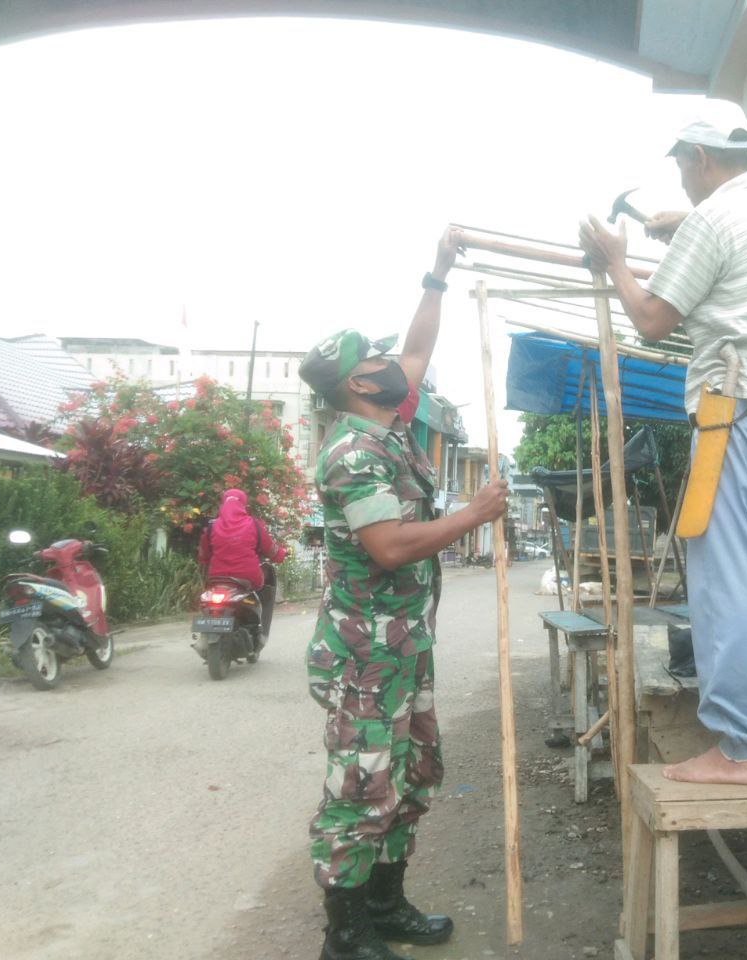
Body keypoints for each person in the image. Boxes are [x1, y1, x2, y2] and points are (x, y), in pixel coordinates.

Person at [580, 99, 747, 786]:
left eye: (683, 167)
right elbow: (727, 247)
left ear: (701, 159)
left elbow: (651, 319)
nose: (681, 182)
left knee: (726, 588)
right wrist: (687, 226)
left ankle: (738, 749)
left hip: (731, 416)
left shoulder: (713, 219)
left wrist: (617, 262)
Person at [299, 228, 510, 960]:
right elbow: (387, 546)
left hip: (402, 643)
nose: (397, 364)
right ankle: (345, 933)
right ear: (359, 382)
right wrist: (472, 516)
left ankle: (386, 905)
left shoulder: (386, 421)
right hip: (364, 652)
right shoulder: (352, 451)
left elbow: (417, 348)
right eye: (379, 359)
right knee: (361, 784)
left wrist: (439, 275)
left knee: (415, 772)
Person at [197, 487, 287, 641]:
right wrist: (282, 554)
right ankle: (259, 630)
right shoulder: (253, 524)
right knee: (263, 587)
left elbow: (203, 555)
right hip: (247, 577)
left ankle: (206, 633)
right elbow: (271, 550)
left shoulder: (212, 526)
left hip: (217, 578)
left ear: (223, 504)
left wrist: (207, 560)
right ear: (243, 505)